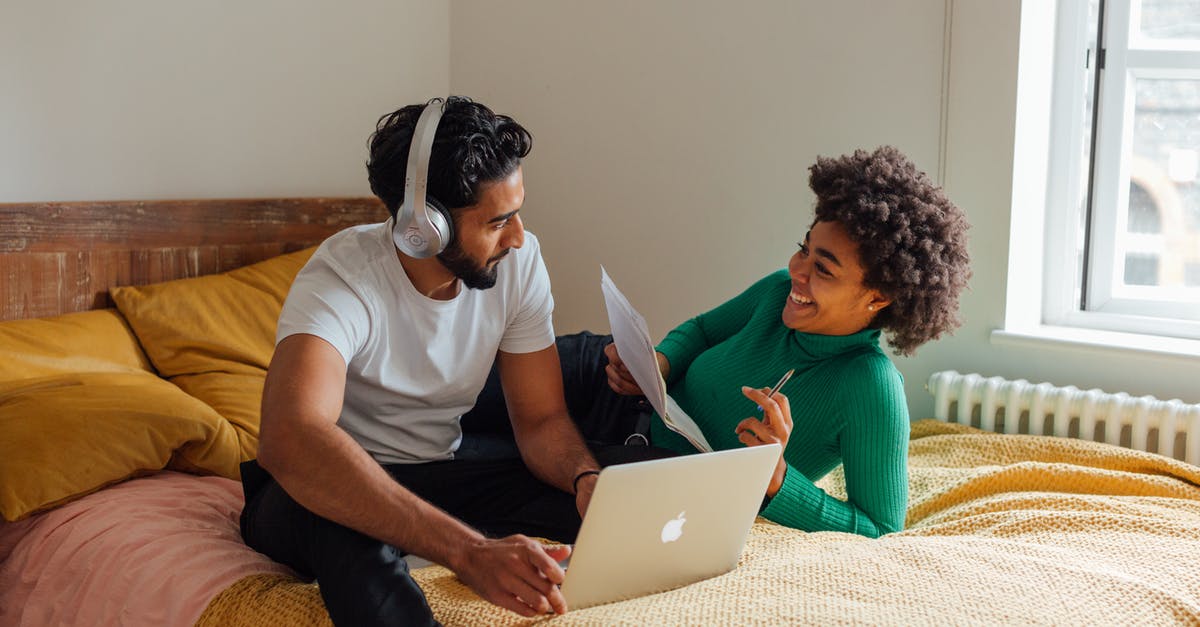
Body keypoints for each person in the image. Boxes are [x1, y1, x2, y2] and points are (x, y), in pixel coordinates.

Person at [239, 96, 666, 627]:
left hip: (446, 470)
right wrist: (468, 553)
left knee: (634, 484)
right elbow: (290, 435)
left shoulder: (519, 260)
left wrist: (585, 479)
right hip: (319, 491)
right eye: (497, 221)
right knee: (348, 524)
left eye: (518, 212)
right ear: (424, 226)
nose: (518, 236)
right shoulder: (344, 278)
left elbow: (540, 421)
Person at [604, 146, 971, 538]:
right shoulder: (777, 290)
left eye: (823, 269)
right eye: (804, 248)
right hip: (621, 399)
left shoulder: (870, 388)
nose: (797, 270)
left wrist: (776, 477)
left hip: (643, 461)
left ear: (877, 298)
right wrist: (660, 361)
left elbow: (880, 528)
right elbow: (702, 331)